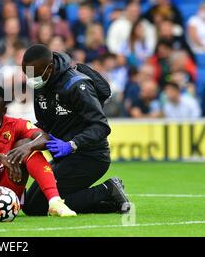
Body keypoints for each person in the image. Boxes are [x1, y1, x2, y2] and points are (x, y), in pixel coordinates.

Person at [20, 44, 131, 215]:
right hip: (64, 159)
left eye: (33, 75)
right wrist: (22, 137)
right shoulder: (41, 84)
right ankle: (110, 203)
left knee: (40, 206)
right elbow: (44, 124)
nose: (30, 79)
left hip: (90, 157)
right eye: (27, 74)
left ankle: (108, 189)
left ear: (49, 69)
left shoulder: (76, 85)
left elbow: (101, 126)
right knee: (29, 206)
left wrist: (71, 144)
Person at [0, 84, 76, 219]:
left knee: (26, 145)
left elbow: (44, 138)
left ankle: (54, 201)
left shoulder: (15, 124)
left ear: (3, 111)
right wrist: (0, 157)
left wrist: (28, 147)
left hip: (8, 194)